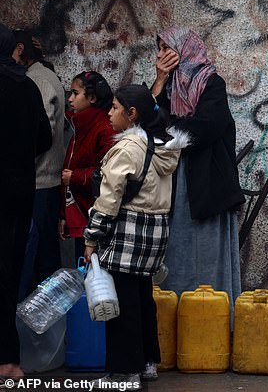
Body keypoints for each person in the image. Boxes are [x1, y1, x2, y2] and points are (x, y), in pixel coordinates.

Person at [84, 85, 188, 390]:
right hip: (155, 231)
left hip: (128, 231)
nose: (109, 112)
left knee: (122, 304)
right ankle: (147, 362)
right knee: (143, 296)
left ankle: (124, 372)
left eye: (115, 108)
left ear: (132, 115)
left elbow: (109, 198)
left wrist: (92, 237)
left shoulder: (128, 149)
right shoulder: (164, 146)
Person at [151, 27, 245, 302]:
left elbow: (207, 127)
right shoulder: (167, 85)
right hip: (173, 181)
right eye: (158, 49)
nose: (159, 55)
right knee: (174, 249)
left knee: (205, 251)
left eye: (165, 48)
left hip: (205, 182)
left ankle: (210, 313)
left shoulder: (211, 83)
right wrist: (158, 82)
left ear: (184, 49)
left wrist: (168, 125)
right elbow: (147, 121)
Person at [0, 24, 52, 385]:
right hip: (20, 195)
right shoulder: (28, 86)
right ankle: (9, 361)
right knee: (9, 276)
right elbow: (45, 139)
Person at [12, 29, 66, 294]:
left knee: (41, 257)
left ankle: (45, 323)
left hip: (42, 181)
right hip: (39, 180)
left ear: (20, 50)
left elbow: (40, 129)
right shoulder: (38, 76)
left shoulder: (39, 80)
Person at [60, 70, 116, 262]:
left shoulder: (103, 128)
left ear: (91, 97)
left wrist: (75, 177)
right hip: (78, 210)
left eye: (76, 93)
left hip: (95, 215)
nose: (70, 99)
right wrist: (64, 214)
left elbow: (108, 174)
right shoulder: (80, 124)